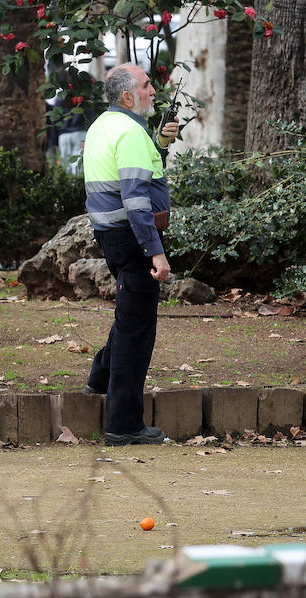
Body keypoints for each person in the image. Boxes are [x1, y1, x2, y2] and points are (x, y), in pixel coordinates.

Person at [81, 64, 179, 445]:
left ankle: (99, 377)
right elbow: (137, 201)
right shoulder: (131, 132)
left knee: (130, 313)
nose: (153, 90)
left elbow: (139, 172)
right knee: (137, 330)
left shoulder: (104, 126)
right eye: (146, 85)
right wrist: (156, 253)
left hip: (111, 235)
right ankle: (123, 425)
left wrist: (162, 144)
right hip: (134, 235)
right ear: (127, 96)